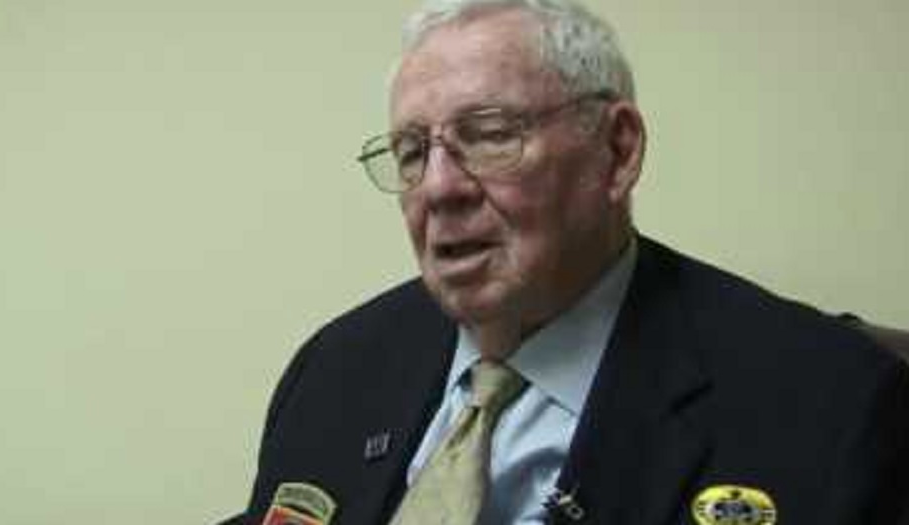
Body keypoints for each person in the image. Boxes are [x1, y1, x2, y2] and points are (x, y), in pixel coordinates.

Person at [221, 0, 909, 523]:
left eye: (488, 135)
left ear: (617, 151)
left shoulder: (833, 405)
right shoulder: (338, 368)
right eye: (411, 152)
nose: (438, 187)